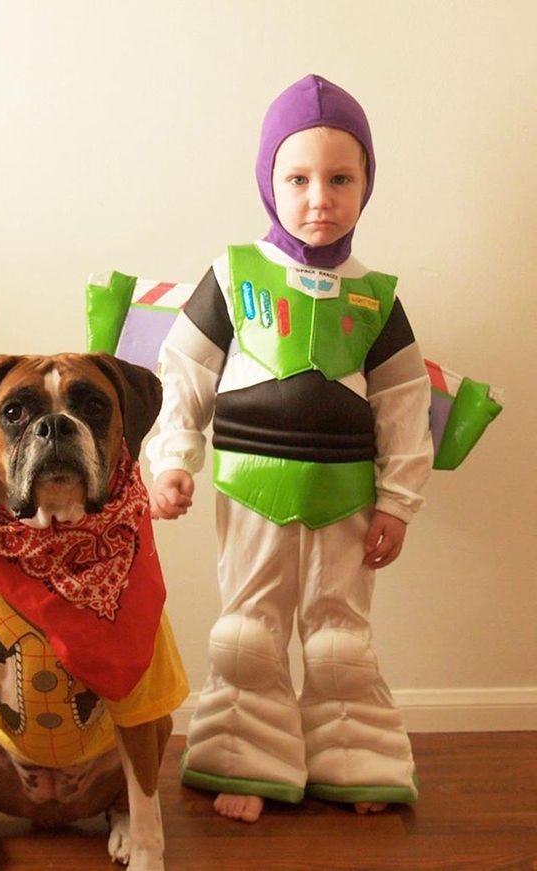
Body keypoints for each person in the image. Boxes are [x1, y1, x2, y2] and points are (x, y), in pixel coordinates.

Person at [146, 74, 433, 822]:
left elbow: (405, 407)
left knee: (340, 637)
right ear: (268, 181)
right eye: (298, 177)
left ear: (368, 183)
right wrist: (173, 459)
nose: (320, 198)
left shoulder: (377, 298)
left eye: (341, 178)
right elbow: (182, 373)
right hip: (250, 494)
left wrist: (399, 503)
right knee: (249, 632)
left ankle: (357, 761)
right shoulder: (232, 273)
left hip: (349, 500)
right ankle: (246, 758)